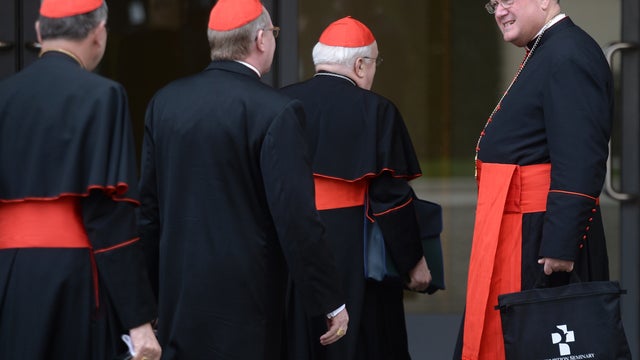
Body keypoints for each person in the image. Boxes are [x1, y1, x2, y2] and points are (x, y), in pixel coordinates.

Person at [137, 0, 349, 358]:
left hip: (180, 294)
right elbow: (296, 218)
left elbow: (148, 212)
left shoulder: (165, 102)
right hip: (247, 300)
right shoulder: (276, 110)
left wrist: (147, 302)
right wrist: (329, 301)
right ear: (262, 39)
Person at [0, 0, 161, 359]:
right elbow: (108, 216)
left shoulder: (3, 96)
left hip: (8, 273)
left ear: (40, 33)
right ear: (98, 34)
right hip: (73, 276)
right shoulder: (104, 96)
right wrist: (138, 320)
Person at [455, 0, 613, 359]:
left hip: (540, 239)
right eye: (493, 4)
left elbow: (580, 159)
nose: (499, 11)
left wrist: (559, 246)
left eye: (508, 0)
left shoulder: (568, 53)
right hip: (523, 231)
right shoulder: (548, 49)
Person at [280, 16, 431, 360]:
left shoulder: (281, 103)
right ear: (361, 65)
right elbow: (390, 199)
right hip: (353, 249)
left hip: (293, 245)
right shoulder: (377, 110)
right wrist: (413, 260)